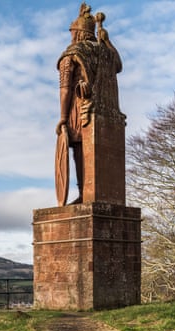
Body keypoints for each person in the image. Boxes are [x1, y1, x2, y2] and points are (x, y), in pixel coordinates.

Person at [55, 2, 123, 205]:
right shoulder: (106, 52)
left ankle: (85, 193)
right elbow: (118, 66)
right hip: (106, 112)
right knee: (91, 151)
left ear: (77, 33)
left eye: (72, 32)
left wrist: (63, 118)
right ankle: (91, 195)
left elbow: (65, 88)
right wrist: (108, 42)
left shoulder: (73, 53)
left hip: (80, 107)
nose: (71, 36)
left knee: (78, 148)